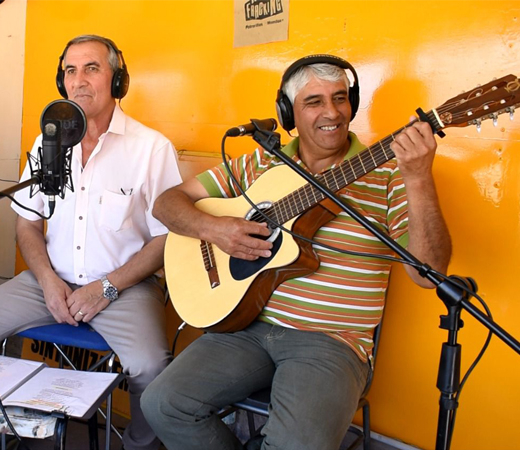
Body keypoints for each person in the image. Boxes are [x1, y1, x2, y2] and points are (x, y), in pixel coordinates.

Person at [141, 55, 452, 450]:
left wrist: (420, 178)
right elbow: (167, 203)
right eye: (314, 101)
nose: (332, 112)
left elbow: (429, 273)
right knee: (163, 403)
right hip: (245, 326)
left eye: (340, 98)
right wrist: (216, 228)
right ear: (288, 112)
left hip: (331, 341)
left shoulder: (389, 173)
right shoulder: (261, 161)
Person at [0, 35, 182, 450]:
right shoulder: (45, 143)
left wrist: (106, 288)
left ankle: (140, 446)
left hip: (123, 287)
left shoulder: (151, 149)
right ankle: (2, 428)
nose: (79, 81)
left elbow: (167, 239)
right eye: (70, 71)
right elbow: (27, 225)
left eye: (92, 68)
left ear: (117, 80)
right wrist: (48, 281)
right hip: (46, 282)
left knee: (150, 368)